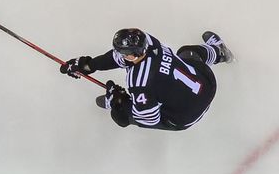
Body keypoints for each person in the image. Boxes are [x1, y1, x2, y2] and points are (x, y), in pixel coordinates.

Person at [60, 28, 234, 131]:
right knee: (188, 54)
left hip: (186, 116)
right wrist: (90, 65)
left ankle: (113, 101)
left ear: (133, 55)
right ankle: (219, 51)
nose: (118, 54)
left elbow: (148, 119)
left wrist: (118, 104)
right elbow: (118, 58)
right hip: (207, 84)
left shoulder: (140, 83)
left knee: (135, 112)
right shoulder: (150, 42)